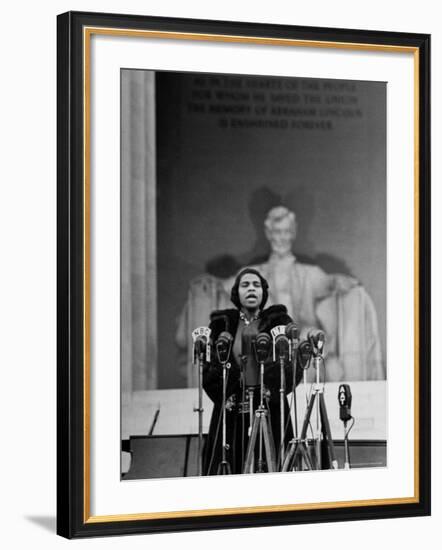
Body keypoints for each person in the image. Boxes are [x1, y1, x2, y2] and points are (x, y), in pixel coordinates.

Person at [202, 268, 304, 475]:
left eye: (256, 285)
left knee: (272, 464)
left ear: (263, 292)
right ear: (236, 292)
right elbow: (209, 369)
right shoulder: (222, 325)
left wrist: (270, 388)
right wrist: (230, 390)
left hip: (270, 405)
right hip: (232, 408)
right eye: (245, 285)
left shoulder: (279, 322)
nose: (251, 289)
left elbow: (293, 367)